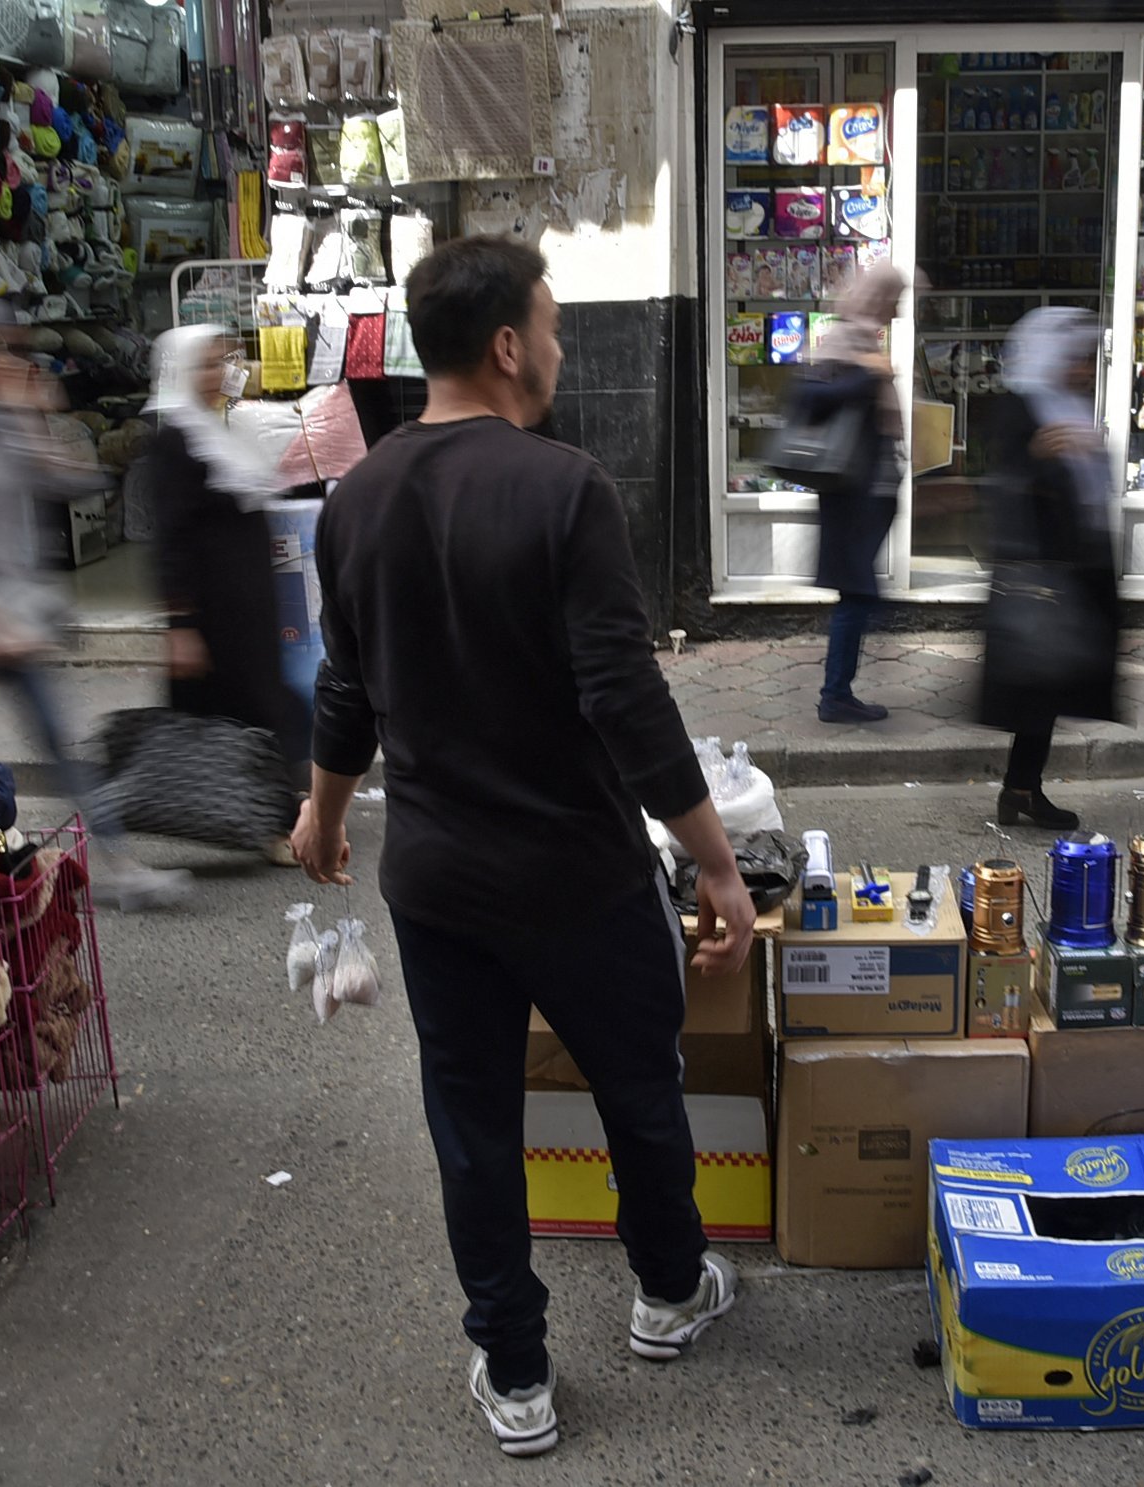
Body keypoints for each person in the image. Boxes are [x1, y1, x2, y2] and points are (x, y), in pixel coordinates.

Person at [291, 236, 756, 1458]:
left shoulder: (355, 501)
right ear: (506, 345)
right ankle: (666, 1291)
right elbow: (623, 695)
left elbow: (349, 681)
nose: (554, 349)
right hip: (580, 876)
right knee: (638, 1090)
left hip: (438, 882)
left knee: (472, 1124)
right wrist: (714, 862)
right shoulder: (564, 486)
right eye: (548, 329)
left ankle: (516, 1370)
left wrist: (324, 811)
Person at [0, 296, 191, 909]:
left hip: (10, 622)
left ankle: (121, 869)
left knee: (62, 748)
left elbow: (70, 481)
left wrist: (32, 411)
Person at [146, 326, 309, 859]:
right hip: (217, 611)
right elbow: (170, 539)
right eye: (205, 364)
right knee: (257, 710)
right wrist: (182, 627)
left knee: (261, 709)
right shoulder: (175, 442)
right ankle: (281, 825)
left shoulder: (222, 431)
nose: (218, 373)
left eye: (222, 361)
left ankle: (273, 819)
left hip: (248, 606)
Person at [979, 307, 1119, 831]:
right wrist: (1040, 452)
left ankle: (1021, 789)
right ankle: (1020, 792)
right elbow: (1005, 479)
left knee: (1051, 688)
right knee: (1040, 687)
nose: (1083, 370)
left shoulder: (1067, 406)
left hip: (1070, 567)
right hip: (1039, 574)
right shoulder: (1022, 407)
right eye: (1076, 359)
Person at [802, 264, 905, 724]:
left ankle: (838, 692)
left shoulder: (864, 338)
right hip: (850, 494)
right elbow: (810, 399)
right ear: (876, 298)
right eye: (893, 299)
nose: (897, 309)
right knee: (858, 593)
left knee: (859, 593)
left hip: (867, 491)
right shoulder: (847, 340)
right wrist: (869, 373)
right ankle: (835, 695)